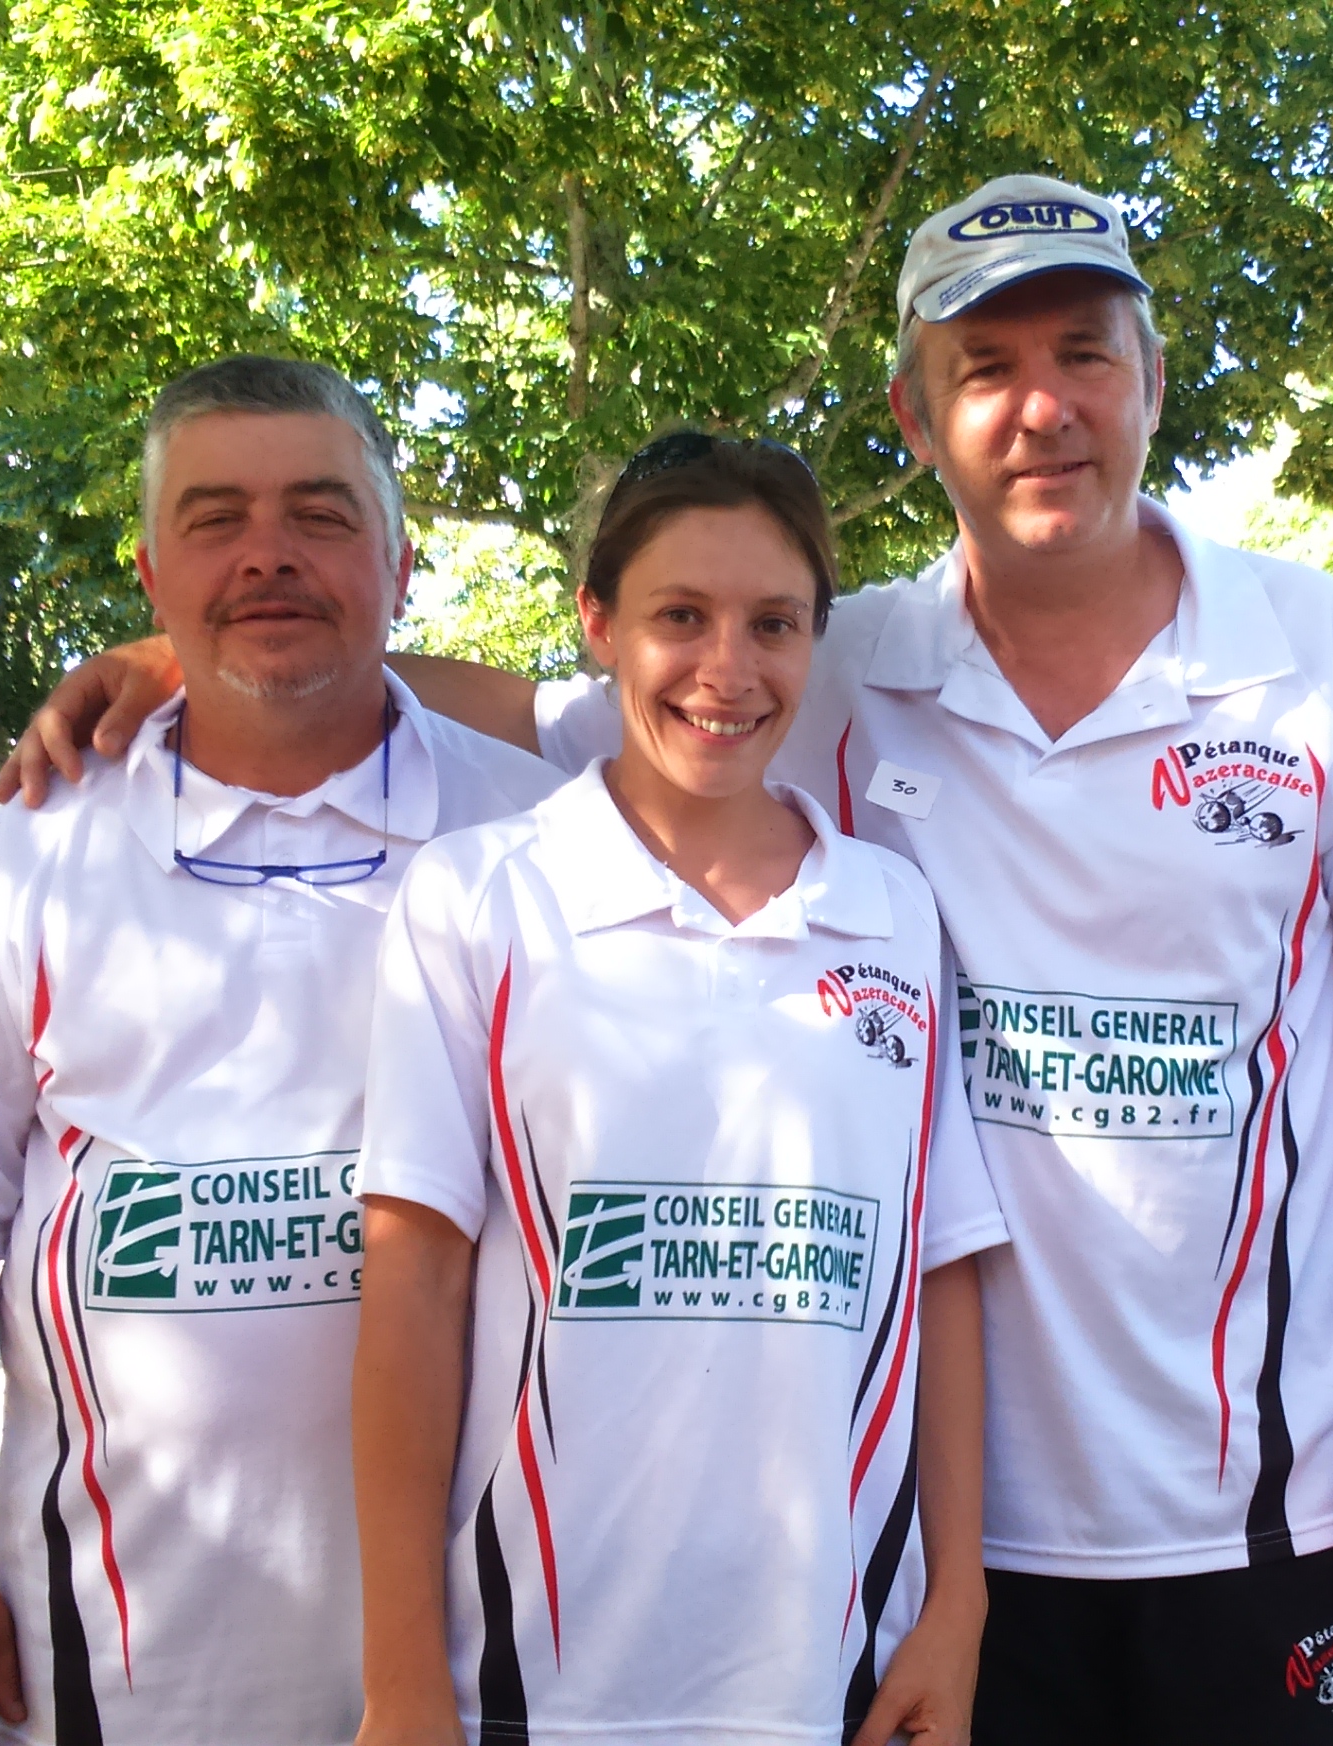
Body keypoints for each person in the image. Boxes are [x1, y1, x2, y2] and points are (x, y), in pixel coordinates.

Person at [4, 173, 1333, 1745]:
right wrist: (204, 646)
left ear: (1149, 377)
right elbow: (540, 707)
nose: (1042, 407)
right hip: (944, 1539)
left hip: (1253, 1499)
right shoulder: (834, 654)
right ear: (915, 418)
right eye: (984, 370)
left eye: (1083, 352)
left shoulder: (1309, 650)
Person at [0, 354, 559, 1746]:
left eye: (321, 516)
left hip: (480, 1658)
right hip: (113, 1658)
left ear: (401, 566)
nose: (267, 554)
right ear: (152, 579)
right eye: (215, 520)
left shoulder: (549, 835)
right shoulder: (26, 855)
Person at [355, 433, 1007, 1745]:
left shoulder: (890, 910)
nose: (728, 669)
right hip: (538, 1678)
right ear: (599, 624)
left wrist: (959, 1599)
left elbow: (934, 1269)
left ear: (817, 640)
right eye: (680, 617)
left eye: (773, 622)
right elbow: (412, 1287)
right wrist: (405, 1676)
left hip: (831, 1675)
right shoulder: (480, 896)